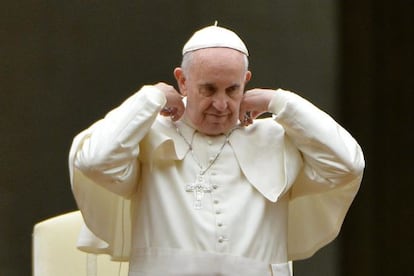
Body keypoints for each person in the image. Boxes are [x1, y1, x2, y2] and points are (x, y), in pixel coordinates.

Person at [69, 23, 364, 276]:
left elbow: (347, 165)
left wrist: (281, 103)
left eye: (232, 90)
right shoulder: (148, 134)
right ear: (182, 81)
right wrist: (151, 97)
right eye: (208, 89)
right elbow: (94, 161)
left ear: (246, 82)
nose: (221, 105)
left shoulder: (273, 137)